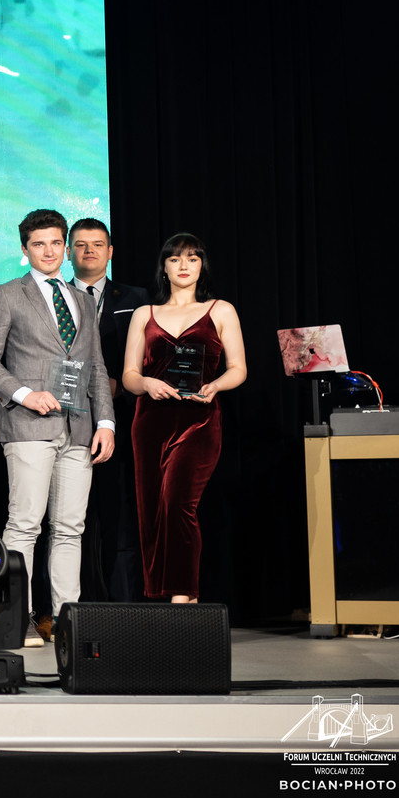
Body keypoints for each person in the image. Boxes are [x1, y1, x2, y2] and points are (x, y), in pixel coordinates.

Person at [0, 209, 115, 647]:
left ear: (65, 247)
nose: (49, 251)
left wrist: (106, 422)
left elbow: (95, 367)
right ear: (25, 249)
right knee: (25, 525)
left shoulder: (83, 299)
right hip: (28, 426)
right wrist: (23, 394)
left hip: (79, 427)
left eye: (56, 243)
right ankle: (18, 619)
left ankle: (67, 620)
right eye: (39, 244)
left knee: (71, 528)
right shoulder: (7, 294)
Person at [121, 233, 247, 604]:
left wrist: (217, 385)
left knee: (179, 503)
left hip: (199, 420)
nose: (184, 266)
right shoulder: (145, 314)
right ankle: (167, 593)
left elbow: (239, 368)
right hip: (150, 422)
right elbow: (129, 375)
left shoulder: (221, 310)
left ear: (202, 266)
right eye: (175, 259)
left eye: (192, 258)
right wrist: (147, 383)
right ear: (164, 267)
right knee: (152, 509)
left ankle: (183, 594)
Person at [69, 217, 152, 603]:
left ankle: (125, 606)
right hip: (67, 419)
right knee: (69, 520)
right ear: (69, 252)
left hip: (122, 419)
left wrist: (121, 384)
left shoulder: (137, 298)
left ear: (111, 252)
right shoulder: (53, 296)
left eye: (98, 244)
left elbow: (151, 356)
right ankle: (72, 606)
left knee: (121, 518)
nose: (89, 251)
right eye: (81, 244)